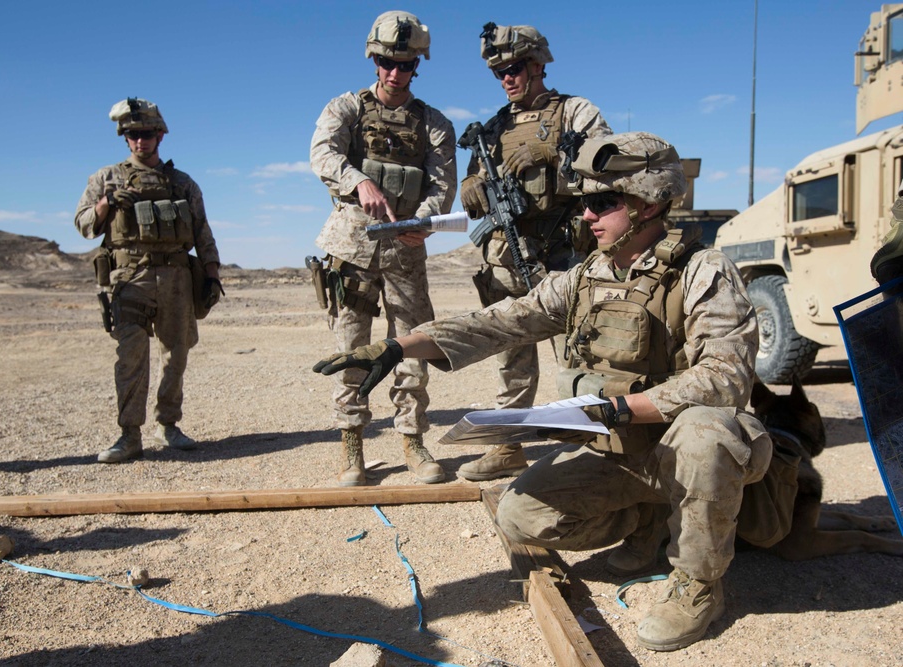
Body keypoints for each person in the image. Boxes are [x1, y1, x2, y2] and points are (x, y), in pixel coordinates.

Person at [314, 132, 773, 651]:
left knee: (706, 431)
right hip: (624, 456)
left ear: (650, 203)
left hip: (679, 449)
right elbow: (503, 320)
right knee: (521, 516)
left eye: (604, 202)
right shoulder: (585, 278)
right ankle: (653, 516)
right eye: (583, 204)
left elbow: (724, 377)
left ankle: (699, 582)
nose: (587, 216)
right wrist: (400, 347)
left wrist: (620, 410)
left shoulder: (703, 271)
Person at [456, 23, 612, 482]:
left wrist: (552, 156)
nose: (507, 78)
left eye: (515, 67)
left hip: (564, 257)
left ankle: (586, 449)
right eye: (499, 71)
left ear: (539, 64)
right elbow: (472, 178)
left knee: (577, 357)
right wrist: (471, 188)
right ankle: (507, 446)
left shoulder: (576, 113)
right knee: (511, 356)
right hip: (507, 259)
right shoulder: (493, 129)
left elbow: (608, 168)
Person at [309, 11, 457, 486]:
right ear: (374, 60)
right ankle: (352, 447)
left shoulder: (434, 124)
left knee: (411, 349)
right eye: (387, 62)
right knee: (351, 350)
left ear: (418, 66)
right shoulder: (345, 109)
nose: (396, 73)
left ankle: (413, 442)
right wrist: (358, 182)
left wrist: (424, 222)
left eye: (407, 64)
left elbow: (441, 186)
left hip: (405, 254)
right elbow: (323, 154)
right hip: (350, 250)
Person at [74, 98, 222, 463]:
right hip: (129, 278)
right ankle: (129, 435)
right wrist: (105, 204)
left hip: (176, 277)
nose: (140, 141)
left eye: (146, 134)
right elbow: (83, 225)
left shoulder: (182, 183)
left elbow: (203, 232)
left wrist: (212, 274)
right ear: (125, 138)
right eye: (133, 135)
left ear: (160, 136)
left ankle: (168, 424)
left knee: (176, 354)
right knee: (131, 356)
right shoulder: (105, 179)